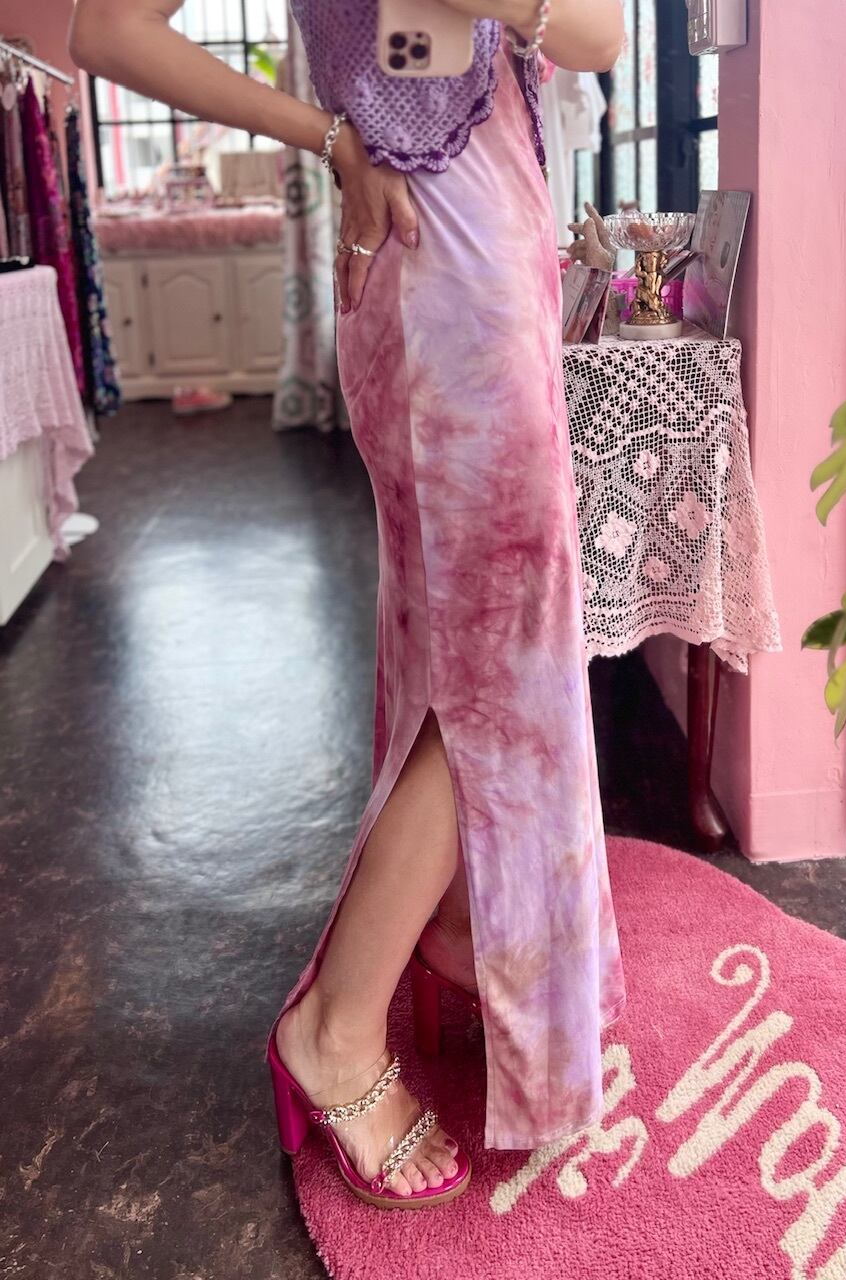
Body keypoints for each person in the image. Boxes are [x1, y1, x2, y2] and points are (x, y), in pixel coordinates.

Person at [69, 0, 627, 1211]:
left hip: (492, 253)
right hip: (444, 282)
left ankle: (459, 930)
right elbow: (104, 31)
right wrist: (326, 135)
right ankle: (335, 1024)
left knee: (481, 656)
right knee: (499, 669)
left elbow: (599, 36)